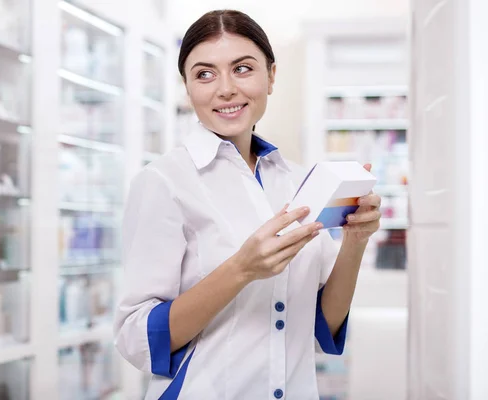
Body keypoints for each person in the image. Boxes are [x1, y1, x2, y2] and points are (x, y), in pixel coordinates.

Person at [114, 9, 381, 400]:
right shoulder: (164, 183)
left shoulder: (296, 180)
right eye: (204, 74)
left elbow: (323, 321)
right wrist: (241, 269)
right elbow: (136, 336)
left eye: (242, 68)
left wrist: (356, 240)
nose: (225, 89)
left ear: (271, 77)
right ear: (187, 88)